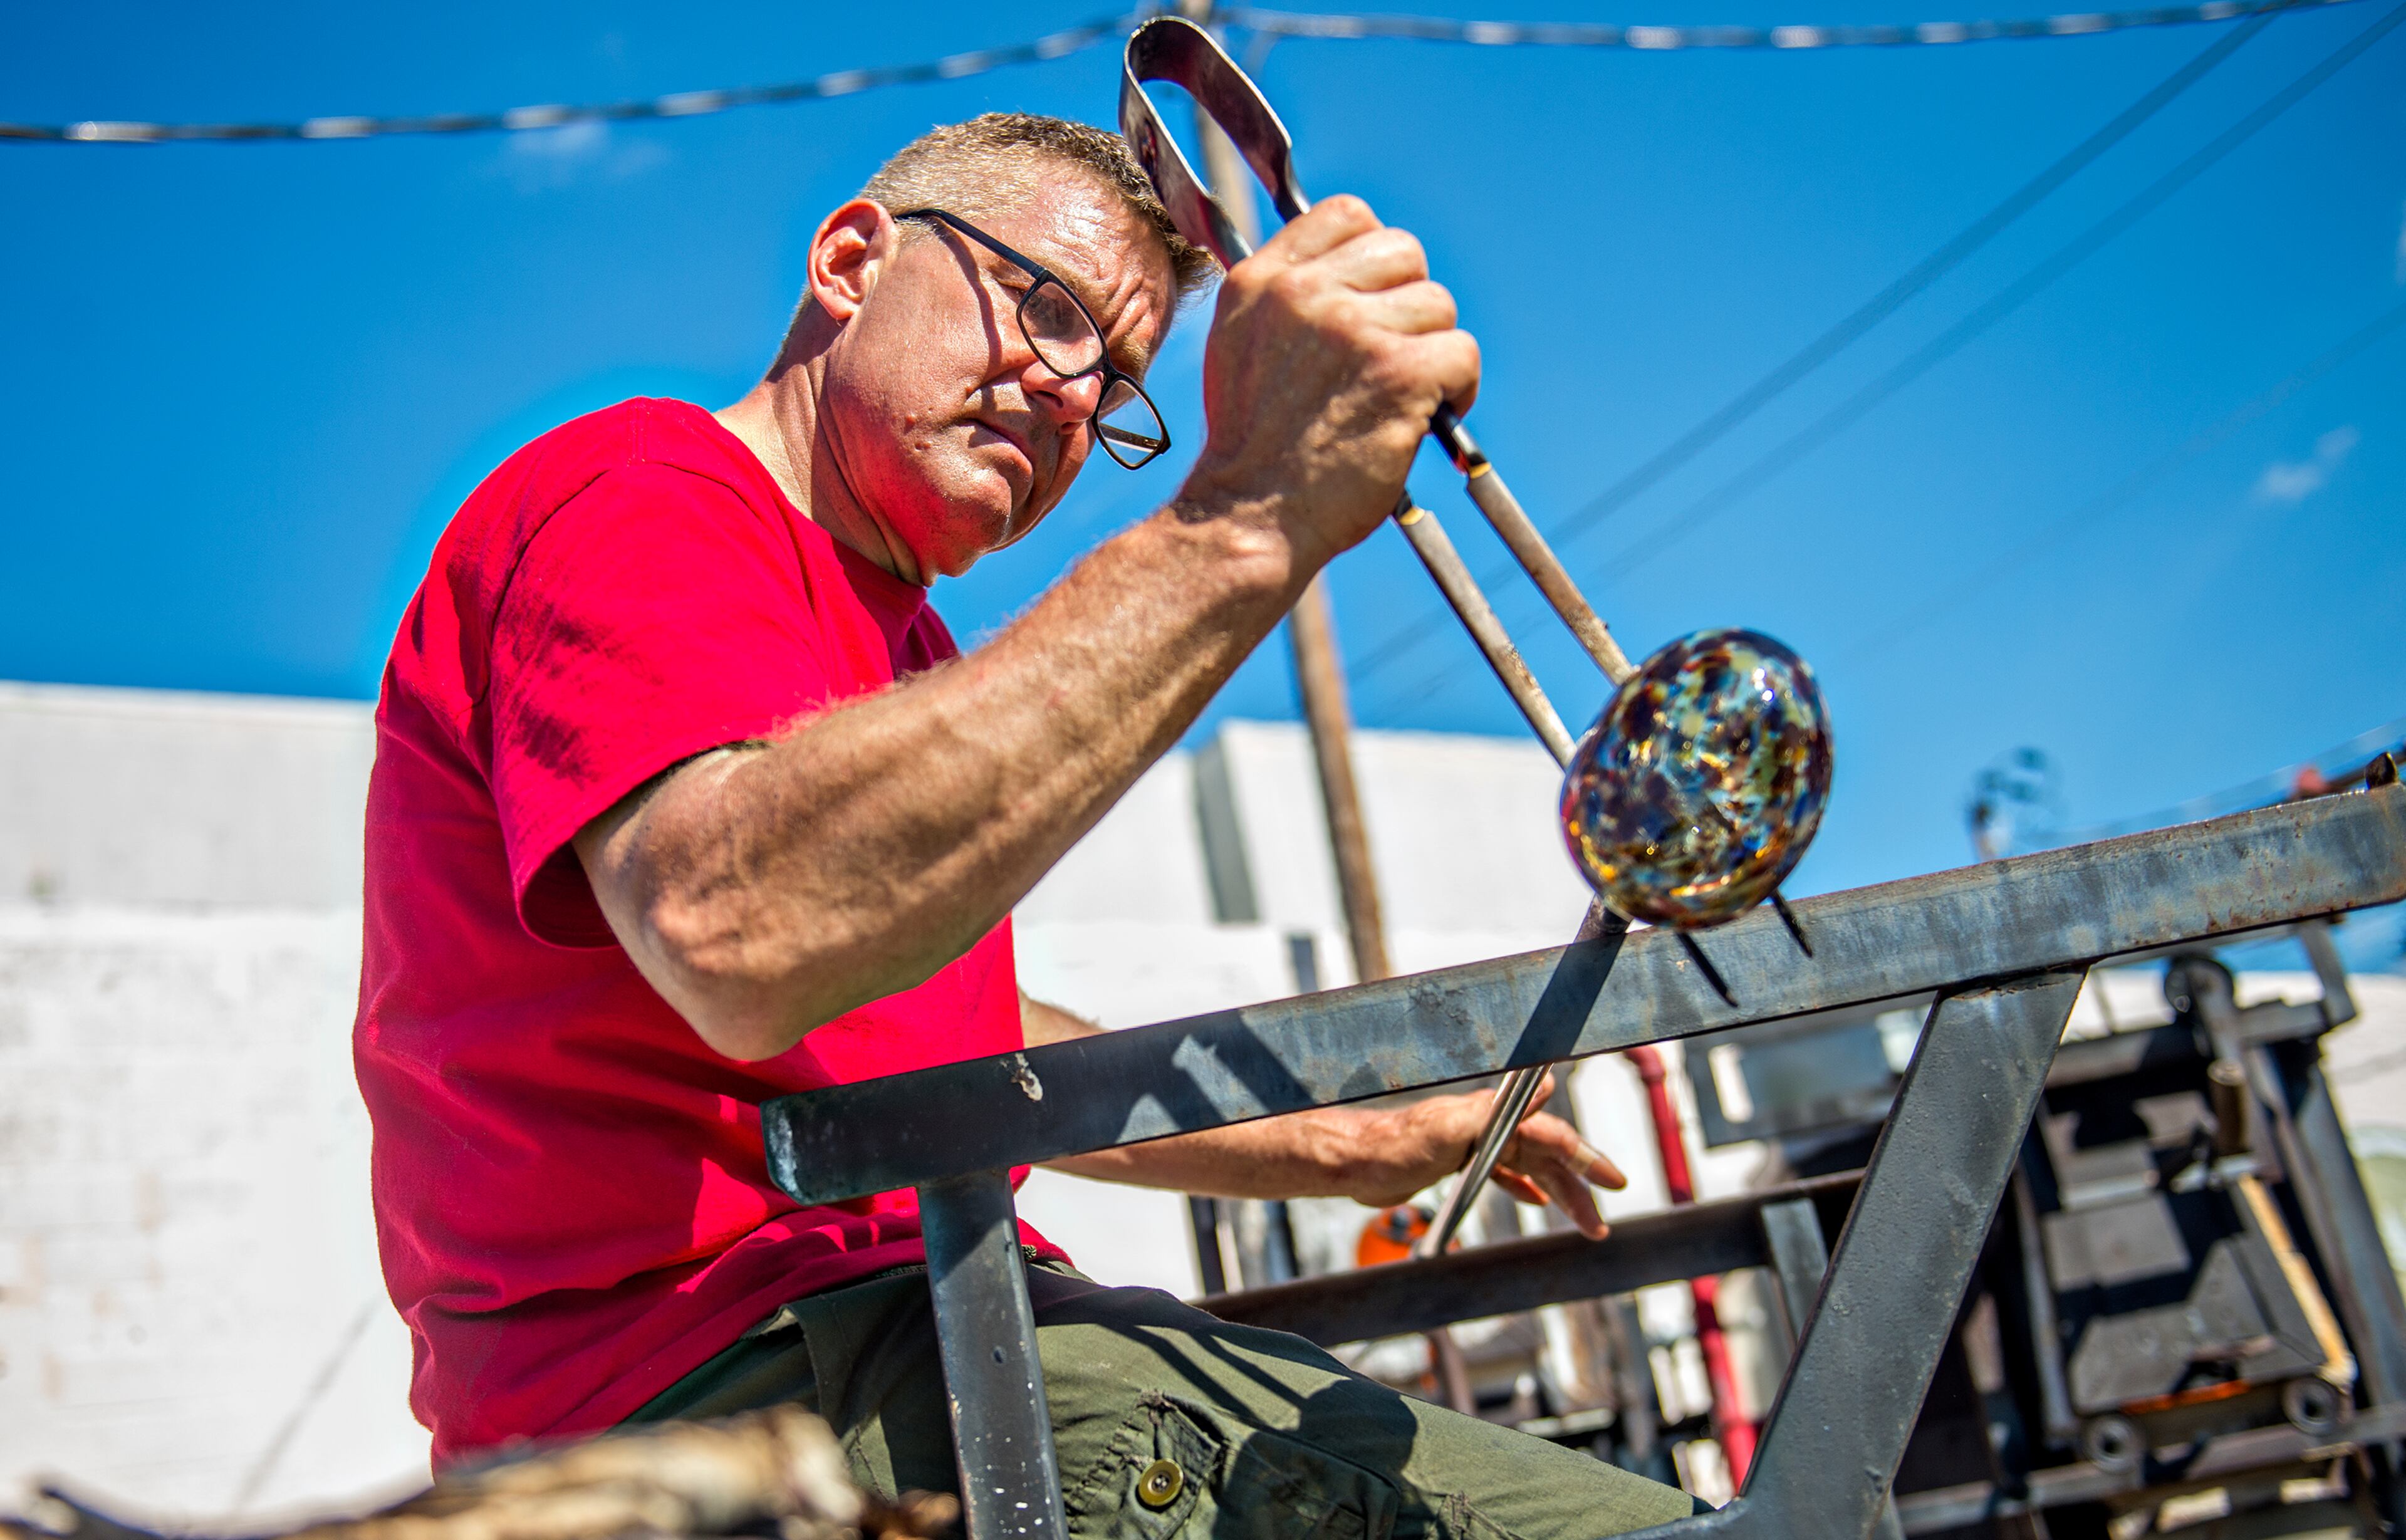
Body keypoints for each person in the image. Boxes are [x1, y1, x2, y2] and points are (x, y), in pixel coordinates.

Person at [355, 112, 1700, 1535]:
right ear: (854, 258)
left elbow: (964, 1053)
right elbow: (732, 928)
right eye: (1046, 309)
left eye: (1116, 383)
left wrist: (1341, 1132)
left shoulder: (909, 646)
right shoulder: (640, 497)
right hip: (724, 1376)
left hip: (918, 1324)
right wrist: (1246, 517)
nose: (1072, 398)